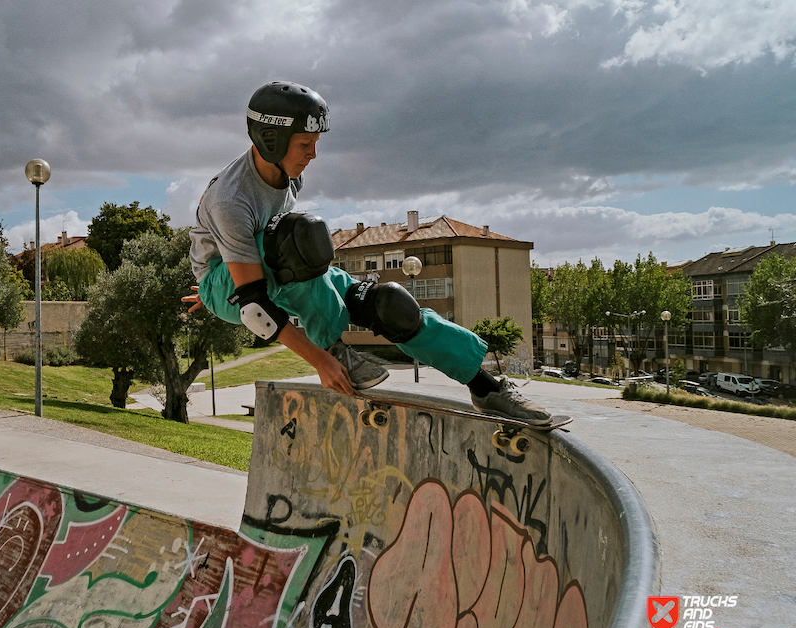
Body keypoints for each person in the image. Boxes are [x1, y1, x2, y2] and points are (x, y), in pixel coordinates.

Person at [183, 80, 551, 425]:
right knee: (301, 236)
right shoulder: (231, 199)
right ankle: (336, 349)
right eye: (304, 145)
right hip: (232, 286)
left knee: (390, 305)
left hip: (261, 274)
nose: (313, 154)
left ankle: (486, 387)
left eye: (315, 143)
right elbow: (253, 304)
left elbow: (266, 259)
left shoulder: (289, 172)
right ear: (270, 140)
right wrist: (320, 359)